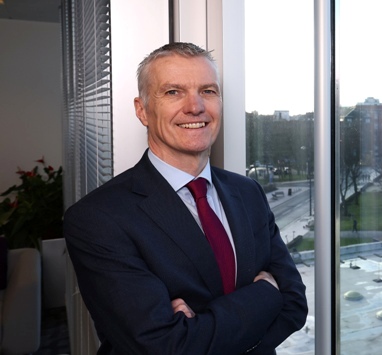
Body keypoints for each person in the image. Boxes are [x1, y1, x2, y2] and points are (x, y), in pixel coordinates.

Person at [64, 42, 307, 354]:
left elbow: (294, 304)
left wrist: (198, 330)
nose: (195, 107)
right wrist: (265, 294)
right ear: (142, 111)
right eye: (173, 92)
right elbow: (163, 346)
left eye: (207, 90)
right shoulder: (98, 218)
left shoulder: (247, 192)